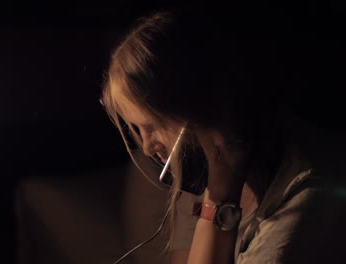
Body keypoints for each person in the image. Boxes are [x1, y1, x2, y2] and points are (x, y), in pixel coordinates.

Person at [101, 5, 346, 264]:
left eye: (152, 126)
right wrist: (218, 194)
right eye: (138, 130)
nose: (148, 147)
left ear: (196, 111)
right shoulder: (204, 175)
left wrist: (221, 199)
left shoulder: (305, 201)